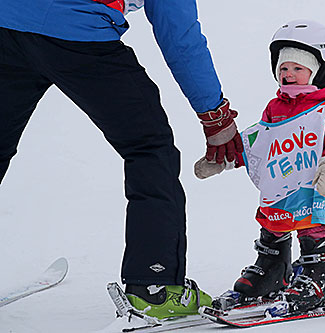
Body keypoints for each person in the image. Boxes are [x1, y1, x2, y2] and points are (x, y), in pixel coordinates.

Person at [0, 0, 243, 319]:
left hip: (7, 24)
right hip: (78, 35)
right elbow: (179, 33)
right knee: (149, 148)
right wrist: (214, 114)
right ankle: (154, 287)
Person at [195, 19, 325, 311]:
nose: (288, 74)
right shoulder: (275, 110)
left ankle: (320, 274)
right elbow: (259, 141)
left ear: (321, 70)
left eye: (298, 68)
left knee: (313, 226)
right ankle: (272, 268)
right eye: (283, 68)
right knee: (274, 222)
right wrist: (225, 159)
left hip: (319, 184)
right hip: (282, 185)